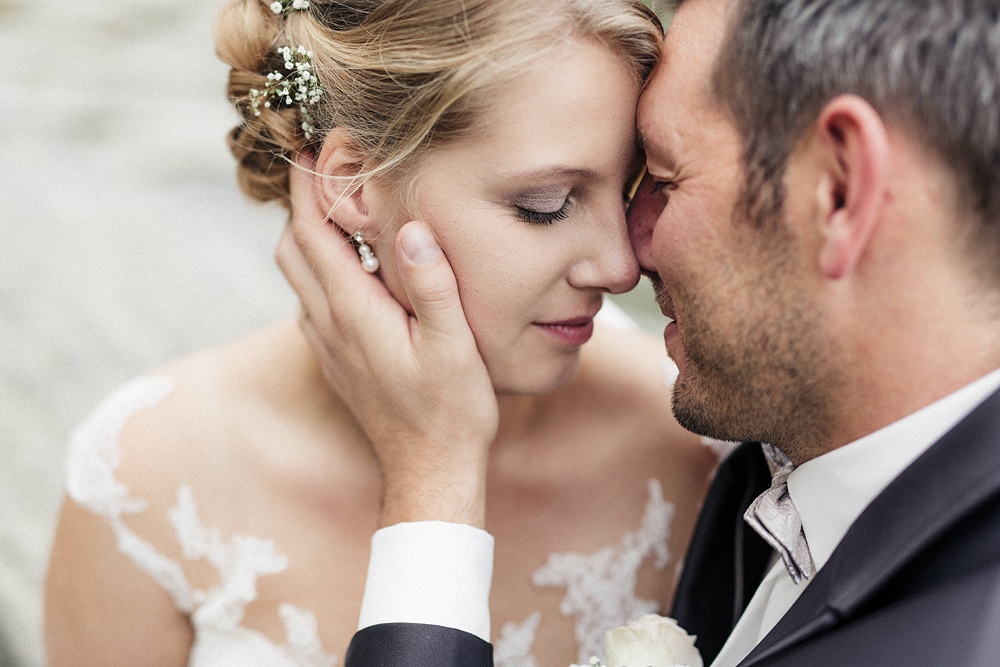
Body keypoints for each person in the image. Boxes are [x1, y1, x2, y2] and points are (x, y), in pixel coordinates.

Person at [275, 0, 1000, 665]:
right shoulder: (779, 431)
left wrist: (431, 487)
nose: (624, 260)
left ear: (839, 191)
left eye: (664, 178)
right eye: (547, 202)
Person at [43, 1, 722, 666]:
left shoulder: (697, 441)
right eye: (544, 206)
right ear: (354, 186)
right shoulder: (143, 482)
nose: (621, 264)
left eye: (635, 186)